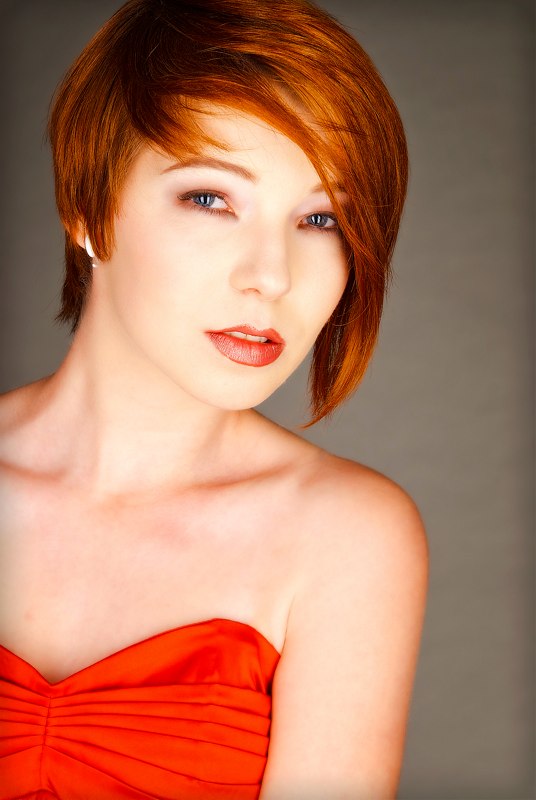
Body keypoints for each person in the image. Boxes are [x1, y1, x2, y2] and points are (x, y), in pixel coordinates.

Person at [0, 0, 429, 798]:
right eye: (210, 199)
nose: (272, 275)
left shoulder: (346, 538)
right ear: (86, 208)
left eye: (321, 218)